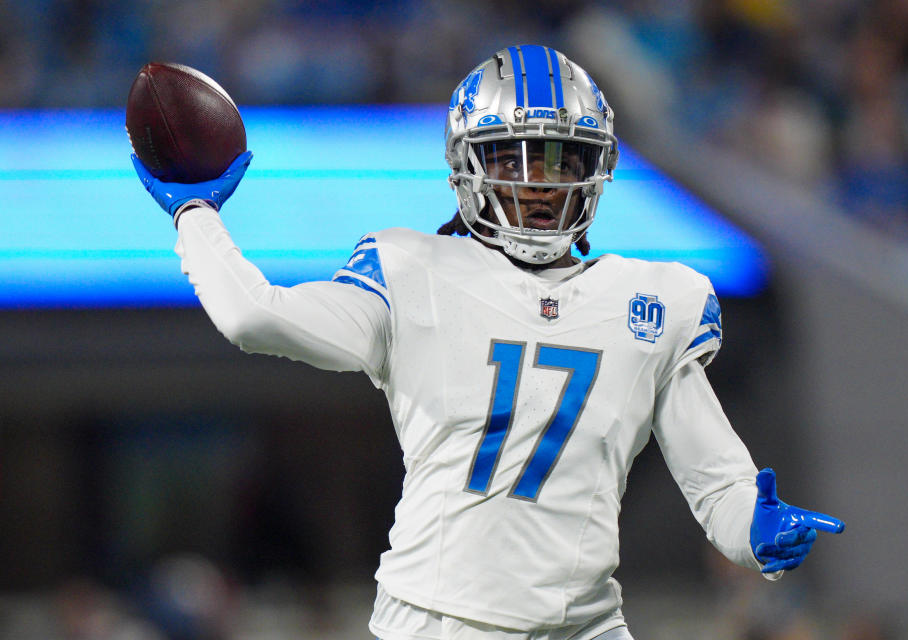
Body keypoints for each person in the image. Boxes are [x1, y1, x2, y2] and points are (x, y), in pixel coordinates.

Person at [132, 45, 845, 640]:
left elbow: (716, 483)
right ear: (467, 164)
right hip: (441, 620)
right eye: (513, 159)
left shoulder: (654, 300)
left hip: (588, 623)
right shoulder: (413, 271)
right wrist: (195, 213)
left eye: (561, 159)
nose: (538, 183)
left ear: (596, 168)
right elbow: (257, 318)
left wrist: (755, 527)